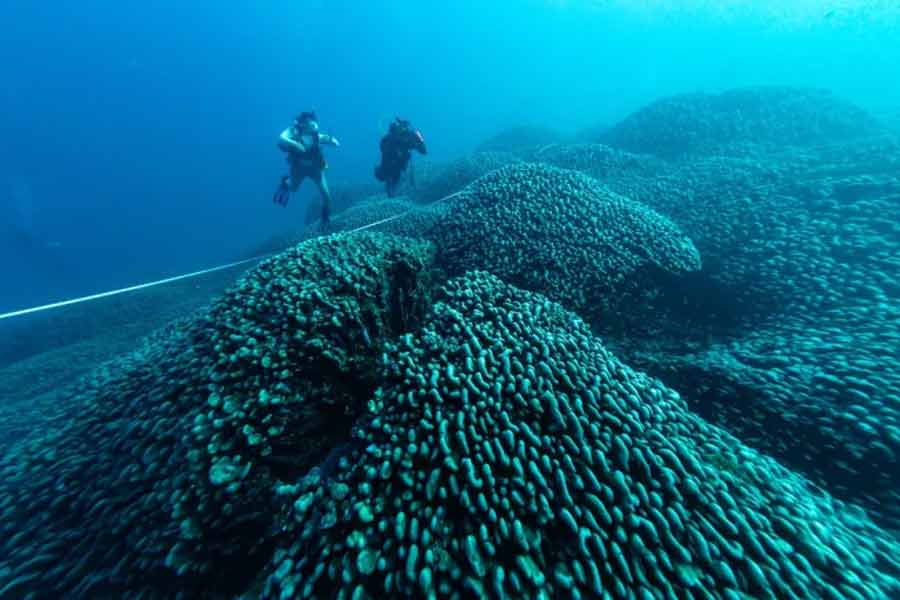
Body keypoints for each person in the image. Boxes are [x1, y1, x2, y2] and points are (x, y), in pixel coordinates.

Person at [273, 111, 340, 228]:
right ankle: (285, 182)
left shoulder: (316, 136)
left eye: (314, 121)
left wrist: (331, 141)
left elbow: (333, 142)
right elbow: (281, 138)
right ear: (303, 124)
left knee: (326, 195)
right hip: (298, 169)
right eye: (310, 122)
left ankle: (325, 219)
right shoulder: (294, 134)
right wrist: (294, 144)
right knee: (293, 188)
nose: (314, 124)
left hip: (316, 169)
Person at [374, 118, 427, 197]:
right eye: (400, 127)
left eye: (404, 127)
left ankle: (394, 195)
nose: (403, 129)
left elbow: (423, 151)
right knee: (389, 180)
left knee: (395, 182)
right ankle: (391, 194)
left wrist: (420, 139)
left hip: (400, 167)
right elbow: (383, 148)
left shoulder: (409, 137)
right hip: (389, 167)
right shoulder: (389, 138)